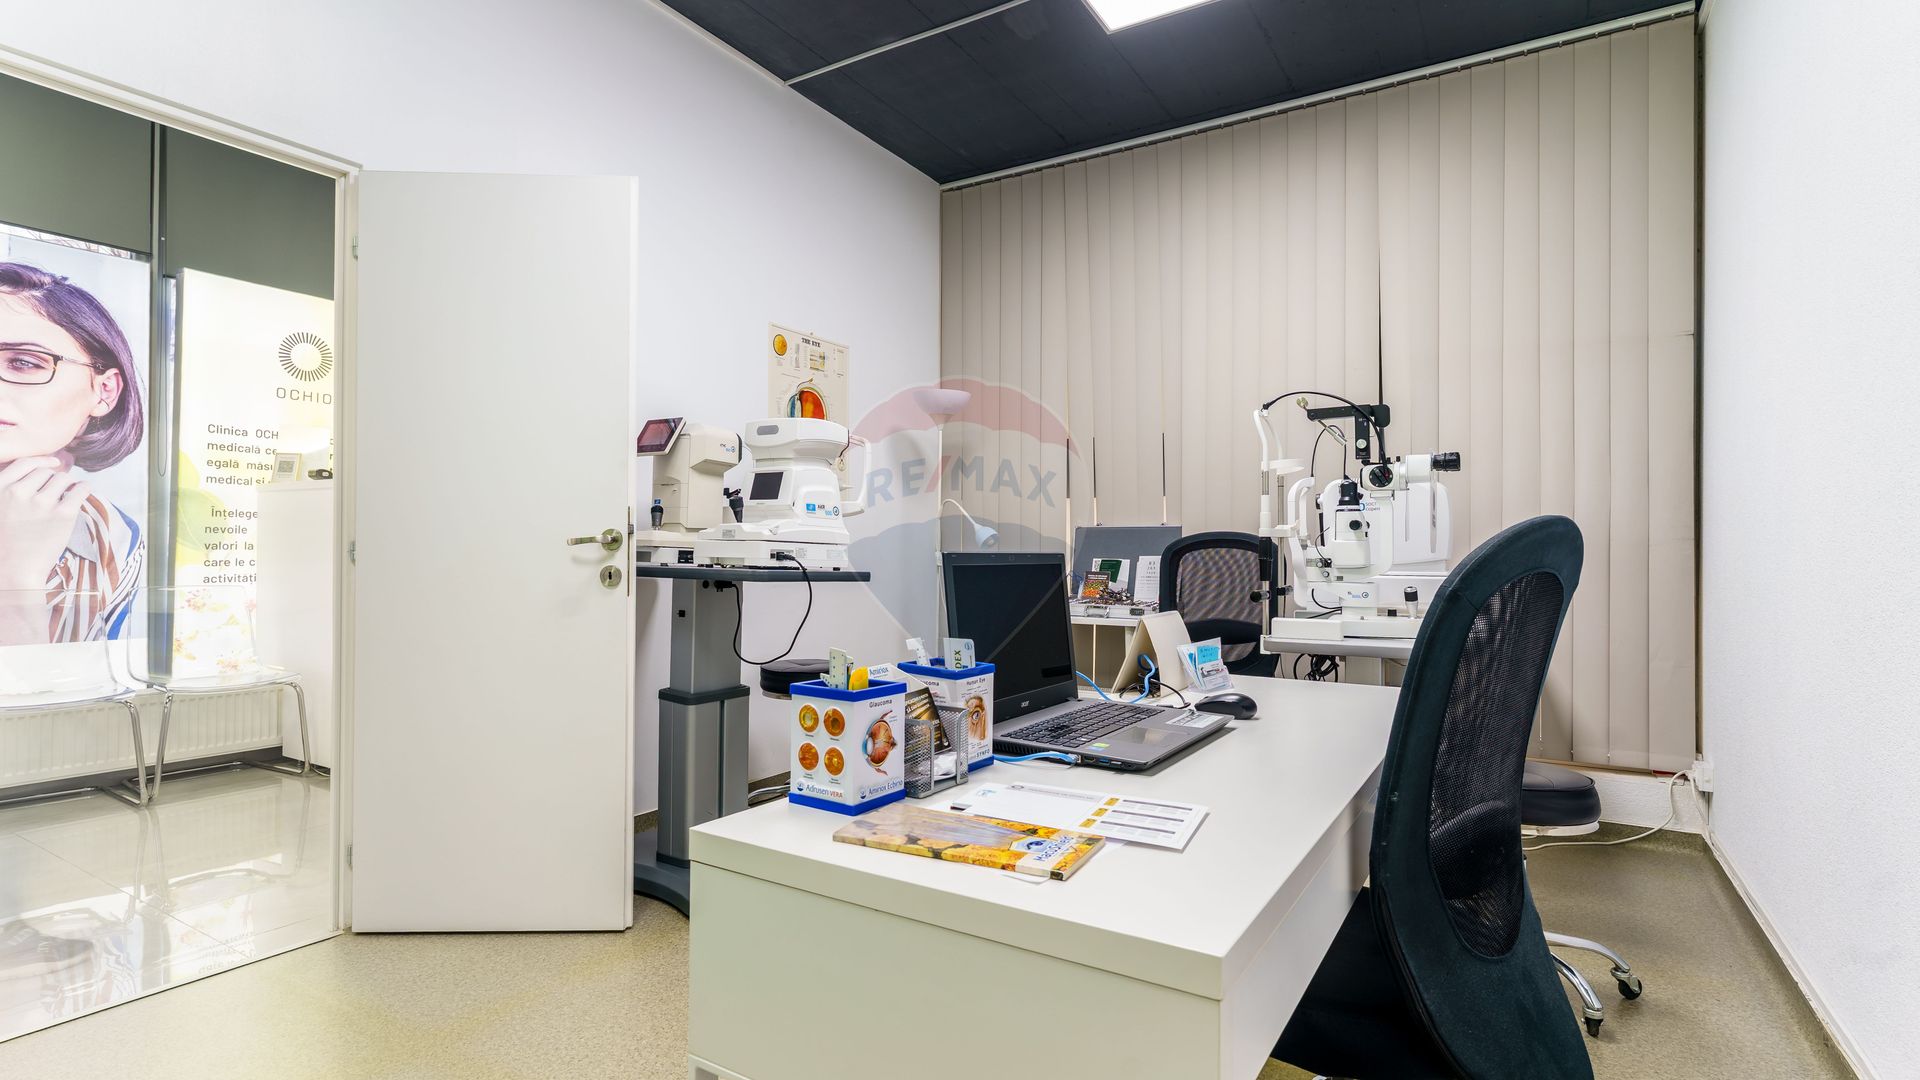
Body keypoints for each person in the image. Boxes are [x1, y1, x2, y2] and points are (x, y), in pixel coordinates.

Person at [0, 262, 145, 645]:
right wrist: (15, 576)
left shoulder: (111, 531)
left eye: (24, 362)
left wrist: (19, 578)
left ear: (105, 391)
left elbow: (82, 684)